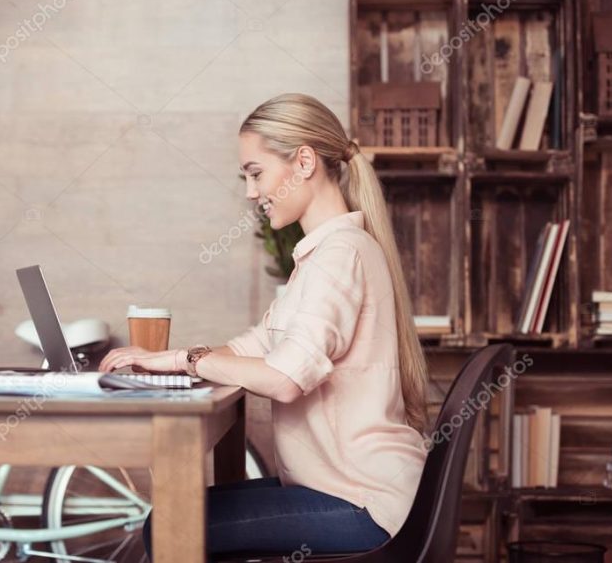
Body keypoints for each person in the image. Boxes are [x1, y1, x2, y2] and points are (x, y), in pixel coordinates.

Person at [99, 93, 429, 561]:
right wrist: (171, 361)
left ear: (305, 162)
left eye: (256, 174)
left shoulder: (339, 255)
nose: (252, 193)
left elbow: (285, 378)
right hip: (352, 491)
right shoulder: (324, 254)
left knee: (173, 521)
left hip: (363, 505)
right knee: (177, 513)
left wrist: (188, 361)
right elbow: (257, 344)